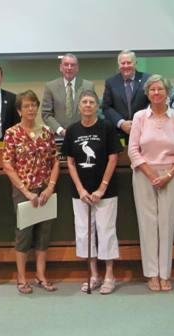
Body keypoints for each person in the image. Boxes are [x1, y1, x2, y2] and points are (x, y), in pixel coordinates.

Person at [128, 74, 174, 292]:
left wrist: (168, 175)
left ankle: (165, 274)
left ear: (167, 92)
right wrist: (151, 173)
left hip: (171, 176)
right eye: (152, 90)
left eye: (160, 89)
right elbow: (133, 149)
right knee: (148, 226)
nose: (156, 93)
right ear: (147, 93)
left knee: (166, 225)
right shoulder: (139, 117)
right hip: (144, 175)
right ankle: (152, 274)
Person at [62, 90, 123, 294]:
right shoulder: (72, 131)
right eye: (84, 102)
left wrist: (102, 187)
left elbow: (113, 158)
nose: (88, 105)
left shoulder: (106, 128)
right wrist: (80, 189)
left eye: (91, 102)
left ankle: (109, 275)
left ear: (97, 106)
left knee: (106, 231)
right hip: (81, 194)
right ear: (79, 106)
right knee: (85, 233)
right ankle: (94, 275)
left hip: (105, 191)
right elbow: (69, 162)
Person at [3, 90, 60, 294]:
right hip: (23, 191)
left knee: (44, 234)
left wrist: (51, 187)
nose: (30, 109)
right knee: (23, 235)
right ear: (19, 110)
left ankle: (40, 275)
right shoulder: (12, 133)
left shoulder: (47, 132)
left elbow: (55, 161)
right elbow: (7, 165)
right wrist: (26, 192)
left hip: (45, 190)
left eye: (33, 105)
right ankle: (21, 278)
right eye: (26, 106)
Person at [42, 53, 95, 136]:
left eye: (72, 65)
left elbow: (92, 111)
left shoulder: (88, 86)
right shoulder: (50, 87)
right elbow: (46, 114)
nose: (69, 68)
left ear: (77, 68)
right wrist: (60, 130)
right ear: (61, 67)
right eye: (66, 65)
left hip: (83, 134)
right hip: (59, 136)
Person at [102, 50, 151, 140]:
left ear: (135, 63)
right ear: (119, 65)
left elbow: (152, 103)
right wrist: (121, 123)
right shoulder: (111, 82)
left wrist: (138, 121)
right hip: (119, 132)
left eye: (129, 62)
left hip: (144, 130)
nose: (125, 66)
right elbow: (106, 107)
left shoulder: (147, 79)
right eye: (122, 63)